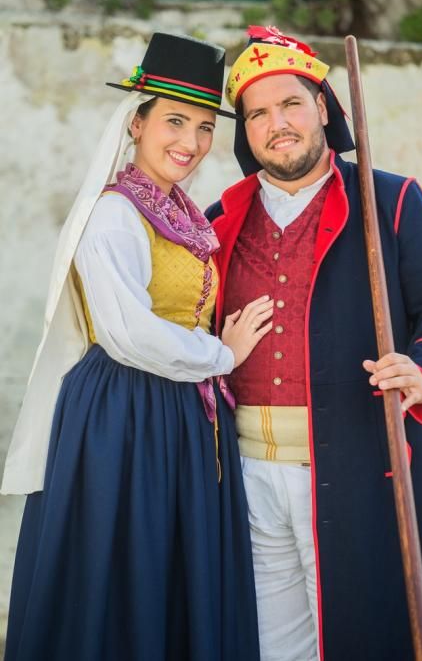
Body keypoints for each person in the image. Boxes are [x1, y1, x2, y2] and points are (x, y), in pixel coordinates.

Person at [2, 32, 272, 661]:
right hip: (123, 414)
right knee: (126, 567)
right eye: (175, 121)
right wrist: (222, 356)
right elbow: (130, 333)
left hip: (178, 413)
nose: (191, 142)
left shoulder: (180, 211)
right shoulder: (115, 213)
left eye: (205, 127)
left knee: (169, 568)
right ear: (137, 122)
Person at [206, 25, 422, 661]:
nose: (277, 123)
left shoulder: (390, 199)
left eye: (292, 103)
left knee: (367, 638)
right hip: (244, 475)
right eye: (258, 113)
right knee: (267, 645)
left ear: (323, 107)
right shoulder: (218, 218)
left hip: (359, 466)